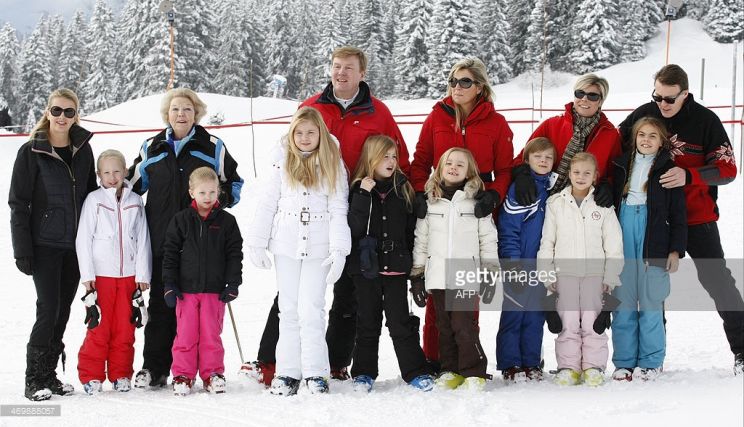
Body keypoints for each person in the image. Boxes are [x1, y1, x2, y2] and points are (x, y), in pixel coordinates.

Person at [246, 46, 409, 384]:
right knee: (291, 295)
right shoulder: (312, 106)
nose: (341, 73)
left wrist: (399, 199)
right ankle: (271, 361)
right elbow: (286, 151)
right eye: (336, 67)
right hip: (312, 202)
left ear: (362, 73)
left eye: (349, 68)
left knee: (345, 288)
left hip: (357, 205)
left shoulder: (378, 112)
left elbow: (398, 157)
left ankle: (334, 361)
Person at [618, 64, 743, 375]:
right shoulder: (645, 113)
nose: (662, 104)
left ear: (685, 94)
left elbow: (727, 170)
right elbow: (615, 146)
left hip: (696, 215)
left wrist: (690, 175)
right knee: (650, 284)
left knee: (717, 280)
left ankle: (742, 350)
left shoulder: (706, 121)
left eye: (669, 99)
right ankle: (652, 358)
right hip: (653, 217)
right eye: (657, 96)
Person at [128, 88, 243, 389]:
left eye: (188, 109)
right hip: (161, 239)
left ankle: (199, 370)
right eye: (176, 109)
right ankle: (155, 367)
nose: (182, 114)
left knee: (197, 310)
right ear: (167, 113)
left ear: (197, 113)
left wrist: (222, 202)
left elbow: (235, 182)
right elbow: (132, 185)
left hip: (201, 243)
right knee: (162, 303)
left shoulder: (213, 145)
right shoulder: (152, 147)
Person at [409, 57, 513, 368]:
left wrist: (492, 196)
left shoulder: (496, 124)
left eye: (465, 82)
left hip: (474, 211)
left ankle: (470, 364)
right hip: (439, 209)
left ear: (480, 87)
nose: (457, 86)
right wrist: (420, 193)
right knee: (438, 296)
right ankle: (437, 359)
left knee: (466, 300)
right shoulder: (437, 117)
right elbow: (420, 160)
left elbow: (506, 169)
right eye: (453, 80)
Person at [246, 107, 350, 396]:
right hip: (286, 245)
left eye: (310, 132)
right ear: (291, 135)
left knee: (311, 309)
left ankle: (316, 373)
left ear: (320, 134)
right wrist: (257, 241)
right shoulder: (282, 165)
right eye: (299, 133)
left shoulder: (333, 165)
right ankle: (288, 372)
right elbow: (268, 204)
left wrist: (340, 249)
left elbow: (339, 208)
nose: (304, 138)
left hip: (318, 247)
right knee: (288, 309)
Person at [9, 88, 97, 401]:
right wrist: (22, 249)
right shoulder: (31, 151)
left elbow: (91, 198)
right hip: (44, 244)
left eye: (69, 112)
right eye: (57, 111)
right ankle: (34, 379)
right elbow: (18, 204)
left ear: (77, 115)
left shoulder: (84, 149)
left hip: (74, 248)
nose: (62, 117)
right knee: (48, 309)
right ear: (48, 112)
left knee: (62, 312)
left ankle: (50, 375)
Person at [346, 135, 435, 393]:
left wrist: (415, 269)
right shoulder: (357, 189)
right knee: (367, 322)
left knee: (400, 323)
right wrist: (363, 193)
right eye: (384, 156)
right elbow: (354, 227)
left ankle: (415, 370)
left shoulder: (403, 188)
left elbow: (411, 232)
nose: (391, 161)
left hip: (396, 268)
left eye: (394, 156)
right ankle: (363, 372)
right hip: (366, 269)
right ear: (370, 159)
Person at [410, 147, 499, 391]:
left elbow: (488, 240)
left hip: (465, 274)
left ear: (470, 172)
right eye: (449, 163)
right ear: (439, 168)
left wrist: (490, 272)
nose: (454, 167)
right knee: (444, 326)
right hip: (437, 274)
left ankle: (473, 371)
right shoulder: (430, 202)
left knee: (463, 325)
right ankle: (449, 369)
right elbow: (421, 240)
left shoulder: (476, 203)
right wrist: (417, 274)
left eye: (460, 165)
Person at [610, 117, 687, 382]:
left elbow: (678, 214)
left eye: (653, 136)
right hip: (624, 229)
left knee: (652, 301)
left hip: (653, 236)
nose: (646, 140)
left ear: (662, 141)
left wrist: (675, 250)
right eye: (642, 134)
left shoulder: (668, 169)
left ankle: (651, 361)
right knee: (623, 302)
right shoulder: (621, 166)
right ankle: (624, 361)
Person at [537, 152, 623, 386]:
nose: (581, 177)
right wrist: (546, 276)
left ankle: (594, 367)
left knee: (592, 323)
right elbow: (547, 243)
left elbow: (614, 245)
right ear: (569, 174)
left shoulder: (603, 206)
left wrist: (610, 277)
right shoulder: (556, 204)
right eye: (576, 172)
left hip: (595, 275)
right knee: (568, 323)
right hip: (564, 275)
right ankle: (568, 367)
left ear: (595, 176)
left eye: (587, 173)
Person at [75, 149, 152, 395]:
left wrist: (143, 275)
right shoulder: (94, 200)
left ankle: (121, 373)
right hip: (102, 276)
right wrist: (87, 277)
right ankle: (92, 375)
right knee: (99, 327)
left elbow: (143, 239)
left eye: (117, 171)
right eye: (106, 172)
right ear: (99, 175)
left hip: (129, 276)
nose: (112, 176)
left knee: (125, 327)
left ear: (125, 172)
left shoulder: (135, 201)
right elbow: (83, 239)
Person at [161, 167, 243, 395]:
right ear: (191, 193)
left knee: (210, 334)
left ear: (218, 192)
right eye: (202, 193)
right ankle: (183, 375)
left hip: (214, 291)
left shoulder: (227, 222)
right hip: (185, 291)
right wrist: (169, 284)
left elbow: (234, 254)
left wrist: (233, 283)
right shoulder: (181, 220)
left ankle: (212, 373)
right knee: (185, 334)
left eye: (212, 192)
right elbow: (170, 253)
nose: (208, 198)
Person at [495, 137, 556, 383]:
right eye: (537, 156)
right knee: (514, 314)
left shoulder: (553, 189)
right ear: (527, 159)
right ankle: (510, 363)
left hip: (541, 266)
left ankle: (531, 362)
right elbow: (509, 229)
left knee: (535, 315)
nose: (543, 161)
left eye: (548, 157)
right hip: (519, 262)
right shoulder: (520, 189)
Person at [513, 73, 621, 208]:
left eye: (592, 96)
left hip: (585, 205)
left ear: (600, 101)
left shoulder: (610, 134)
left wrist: (608, 186)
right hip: (544, 201)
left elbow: (616, 172)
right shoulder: (551, 125)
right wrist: (522, 175)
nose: (584, 99)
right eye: (580, 93)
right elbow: (522, 158)